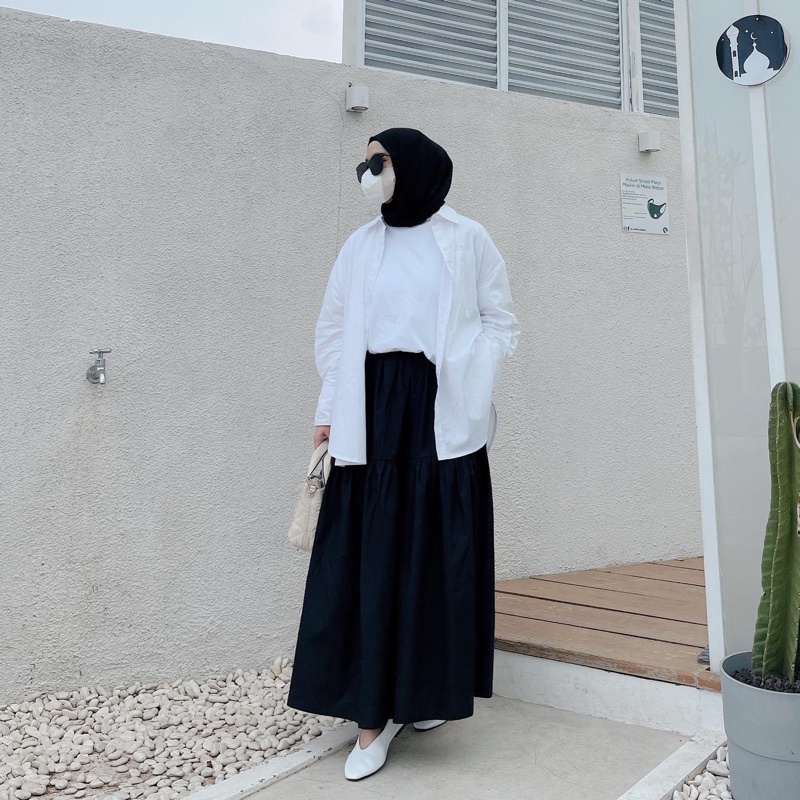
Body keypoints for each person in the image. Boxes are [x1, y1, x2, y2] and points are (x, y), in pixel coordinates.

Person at [287, 128, 520, 781]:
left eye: (379, 160)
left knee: (435, 552)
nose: (368, 171)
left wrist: (471, 376)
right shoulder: (360, 246)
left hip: (441, 409)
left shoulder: (467, 238)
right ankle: (371, 717)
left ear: (413, 167)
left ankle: (423, 693)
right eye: (365, 161)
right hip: (372, 409)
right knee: (373, 553)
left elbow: (501, 320)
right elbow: (334, 333)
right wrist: (327, 413)